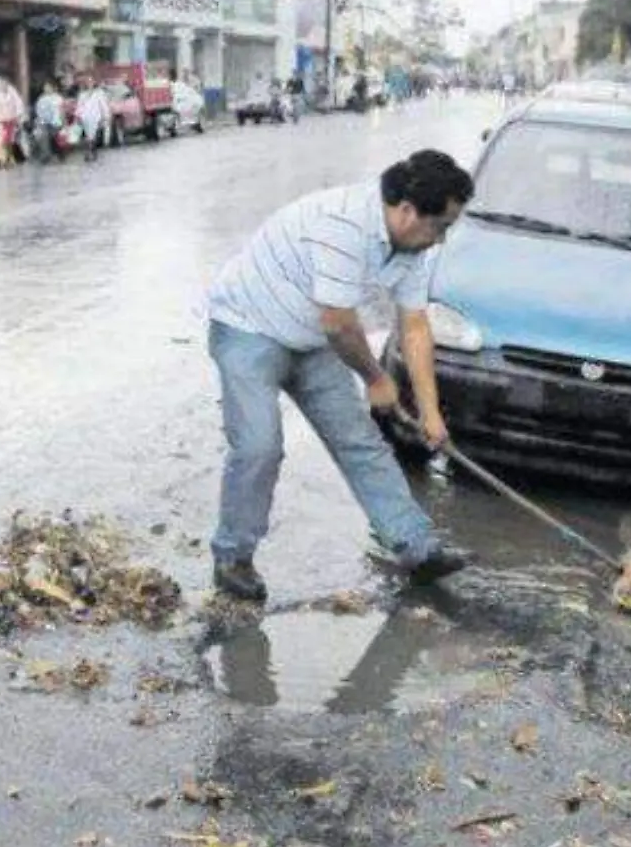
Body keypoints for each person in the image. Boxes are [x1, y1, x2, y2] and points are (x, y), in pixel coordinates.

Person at [204, 150, 476, 602]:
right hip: (248, 327)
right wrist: (376, 378)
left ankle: (417, 549)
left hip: (310, 339)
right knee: (259, 446)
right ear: (408, 211)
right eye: (441, 226)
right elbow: (339, 324)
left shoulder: (412, 247)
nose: (442, 238)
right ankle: (233, 558)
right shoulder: (345, 223)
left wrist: (430, 414)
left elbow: (414, 326)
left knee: (360, 441)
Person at [75, 74, 111, 162]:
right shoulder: (82, 95)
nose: (89, 83)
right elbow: (79, 106)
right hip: (85, 117)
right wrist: (78, 116)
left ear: (94, 83)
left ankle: (92, 151)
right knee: (88, 136)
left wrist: (106, 117)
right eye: (87, 82)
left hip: (96, 117)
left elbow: (104, 106)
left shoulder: (99, 93)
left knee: (94, 136)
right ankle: (88, 152)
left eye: (90, 82)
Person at [32, 82, 66, 163]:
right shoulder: (41, 99)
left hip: (56, 122)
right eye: (45, 87)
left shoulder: (58, 98)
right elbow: (38, 112)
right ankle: (45, 154)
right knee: (42, 134)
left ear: (53, 88)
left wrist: (63, 123)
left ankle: (55, 153)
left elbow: (62, 111)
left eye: (49, 87)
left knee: (53, 135)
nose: (47, 89)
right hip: (44, 122)